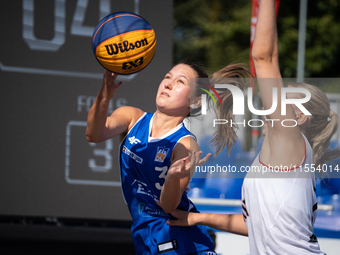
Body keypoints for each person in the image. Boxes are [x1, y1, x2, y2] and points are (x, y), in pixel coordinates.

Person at [166, 0, 340, 254]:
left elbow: (264, 57)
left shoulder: (289, 141)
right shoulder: (288, 157)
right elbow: (255, 224)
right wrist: (198, 218)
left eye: (286, 99)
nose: (273, 104)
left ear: (300, 118)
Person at [86, 59, 250, 254]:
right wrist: (105, 95)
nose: (168, 83)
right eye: (167, 77)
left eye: (180, 81)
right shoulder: (132, 118)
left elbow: (168, 205)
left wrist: (172, 177)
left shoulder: (185, 144)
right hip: (146, 236)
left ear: (195, 100)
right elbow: (93, 135)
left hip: (181, 242)